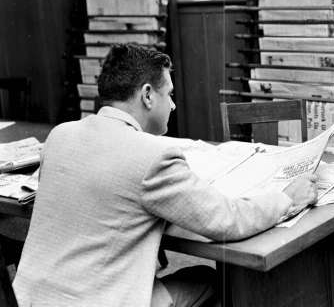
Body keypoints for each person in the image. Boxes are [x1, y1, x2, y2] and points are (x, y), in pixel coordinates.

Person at [13, 44, 318, 306]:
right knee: (210, 280)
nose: (172, 105)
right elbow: (226, 220)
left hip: (28, 298)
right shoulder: (152, 156)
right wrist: (286, 198)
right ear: (147, 95)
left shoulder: (60, 136)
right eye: (169, 94)